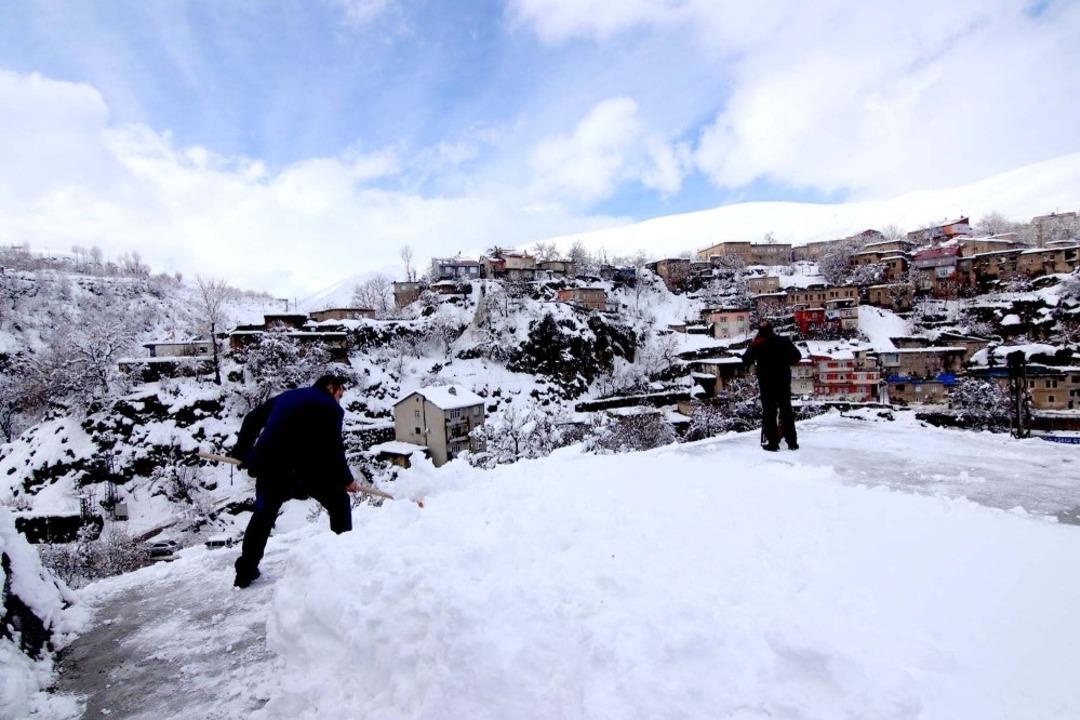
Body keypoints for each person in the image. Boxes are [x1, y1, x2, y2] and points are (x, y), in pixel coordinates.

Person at [229, 374, 361, 588]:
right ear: (330, 387)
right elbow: (334, 448)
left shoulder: (287, 397)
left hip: (269, 467)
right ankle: (342, 562)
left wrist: (243, 452)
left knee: (263, 516)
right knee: (339, 502)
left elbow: (253, 418)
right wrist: (346, 479)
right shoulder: (331, 408)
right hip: (306, 471)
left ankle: (245, 572)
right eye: (339, 394)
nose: (340, 400)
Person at [741, 322, 802, 452]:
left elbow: (745, 359)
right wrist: (784, 362)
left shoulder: (758, 344)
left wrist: (754, 344)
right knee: (786, 410)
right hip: (783, 381)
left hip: (767, 382)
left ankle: (773, 443)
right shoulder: (784, 341)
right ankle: (792, 442)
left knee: (769, 412)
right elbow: (797, 356)